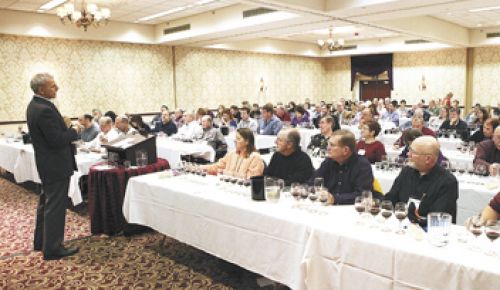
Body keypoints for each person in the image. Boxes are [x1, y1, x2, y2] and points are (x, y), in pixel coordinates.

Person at [26, 73, 79, 260]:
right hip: (55, 165)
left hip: (47, 164)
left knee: (46, 204)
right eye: (53, 86)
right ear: (41, 89)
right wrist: (73, 131)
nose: (57, 88)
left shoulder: (34, 105)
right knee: (55, 206)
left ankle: (41, 242)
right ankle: (53, 248)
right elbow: (56, 141)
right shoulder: (45, 109)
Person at [384, 136, 458, 223]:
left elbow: (440, 219)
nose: (408, 154)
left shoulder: (447, 182)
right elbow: (390, 199)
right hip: (400, 225)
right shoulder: (406, 171)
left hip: (427, 232)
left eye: (413, 152)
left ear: (428, 159)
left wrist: (415, 220)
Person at [310, 129, 374, 205]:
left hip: (351, 210)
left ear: (345, 150)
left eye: (332, 145)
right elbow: (313, 181)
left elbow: (362, 195)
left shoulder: (362, 165)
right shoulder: (329, 161)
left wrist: (335, 198)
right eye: (328, 144)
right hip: (327, 207)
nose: (328, 148)